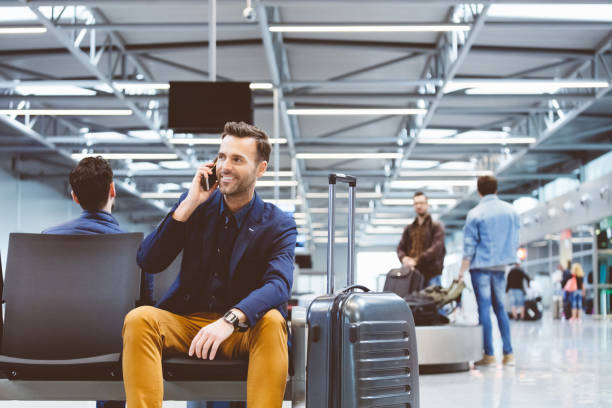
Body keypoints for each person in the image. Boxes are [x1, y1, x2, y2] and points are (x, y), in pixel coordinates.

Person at [122, 122, 297, 408]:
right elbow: (149, 261)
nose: (225, 166)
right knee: (140, 319)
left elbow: (278, 285)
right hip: (188, 323)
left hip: (242, 330)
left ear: (260, 169)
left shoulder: (278, 224)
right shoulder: (194, 205)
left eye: (237, 159)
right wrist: (190, 203)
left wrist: (231, 319)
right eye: (222, 157)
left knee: (273, 321)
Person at [43, 156, 151, 408]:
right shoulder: (137, 249)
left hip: (48, 347)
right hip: (113, 353)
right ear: (113, 190)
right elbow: (148, 308)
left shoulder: (46, 241)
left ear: (75, 197)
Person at [458, 175, 519, 367]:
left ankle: (489, 355)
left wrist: (461, 271)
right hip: (501, 267)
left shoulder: (475, 213)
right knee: (500, 308)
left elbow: (470, 245)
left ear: (478, 191)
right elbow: (515, 238)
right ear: (496, 189)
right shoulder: (511, 211)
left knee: (484, 309)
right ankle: (509, 354)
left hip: (481, 267)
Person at [397, 191, 446, 287]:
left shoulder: (436, 227)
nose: (418, 206)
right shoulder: (409, 228)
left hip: (432, 275)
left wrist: (416, 260)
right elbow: (400, 248)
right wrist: (404, 258)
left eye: (421, 203)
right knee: (411, 302)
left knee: (431, 301)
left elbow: (435, 249)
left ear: (427, 204)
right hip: (412, 274)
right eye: (416, 203)